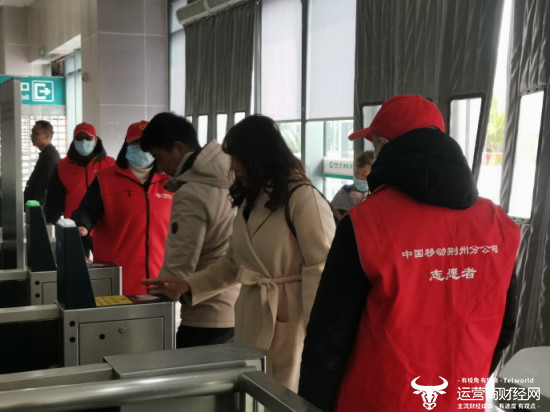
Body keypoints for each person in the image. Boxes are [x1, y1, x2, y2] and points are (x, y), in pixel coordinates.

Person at [298, 95, 520, 412]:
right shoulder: (500, 224)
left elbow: (328, 342)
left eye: (374, 144)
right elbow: (506, 327)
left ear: (385, 145)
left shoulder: (364, 225)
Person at [143, 115, 335, 392]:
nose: (233, 167)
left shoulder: (304, 198)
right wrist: (189, 285)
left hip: (289, 321)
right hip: (249, 317)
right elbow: (233, 264)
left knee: (282, 395)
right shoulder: (250, 200)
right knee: (253, 394)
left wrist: (320, 339)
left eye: (238, 159)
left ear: (258, 156)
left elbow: (322, 272)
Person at [139, 112, 239, 348]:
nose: (160, 167)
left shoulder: (192, 192)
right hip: (235, 306)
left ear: (178, 148)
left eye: (158, 157)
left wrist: (152, 306)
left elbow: (180, 260)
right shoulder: (231, 176)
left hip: (204, 315)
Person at [71, 121, 173, 296]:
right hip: (117, 282)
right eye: (136, 142)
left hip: (160, 282)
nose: (142, 148)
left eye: (147, 143)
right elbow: (87, 210)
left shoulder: (170, 183)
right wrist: (81, 224)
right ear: (126, 145)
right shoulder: (105, 179)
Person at [44, 122, 115, 256]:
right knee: (76, 267)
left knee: (107, 266)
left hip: (104, 230)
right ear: (74, 140)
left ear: (95, 140)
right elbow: (54, 202)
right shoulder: (62, 166)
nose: (83, 142)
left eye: (88, 138)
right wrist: (49, 228)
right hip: (75, 230)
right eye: (79, 138)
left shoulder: (110, 164)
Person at [24, 120, 61, 205]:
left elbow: (44, 187)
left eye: (36, 133)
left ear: (47, 136)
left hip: (39, 207)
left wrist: (37, 208)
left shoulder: (49, 156)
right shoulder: (46, 154)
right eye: (32, 132)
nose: (31, 135)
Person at [331, 150, 374, 214]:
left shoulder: (376, 199)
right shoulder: (342, 193)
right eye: (357, 173)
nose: (359, 177)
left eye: (364, 175)